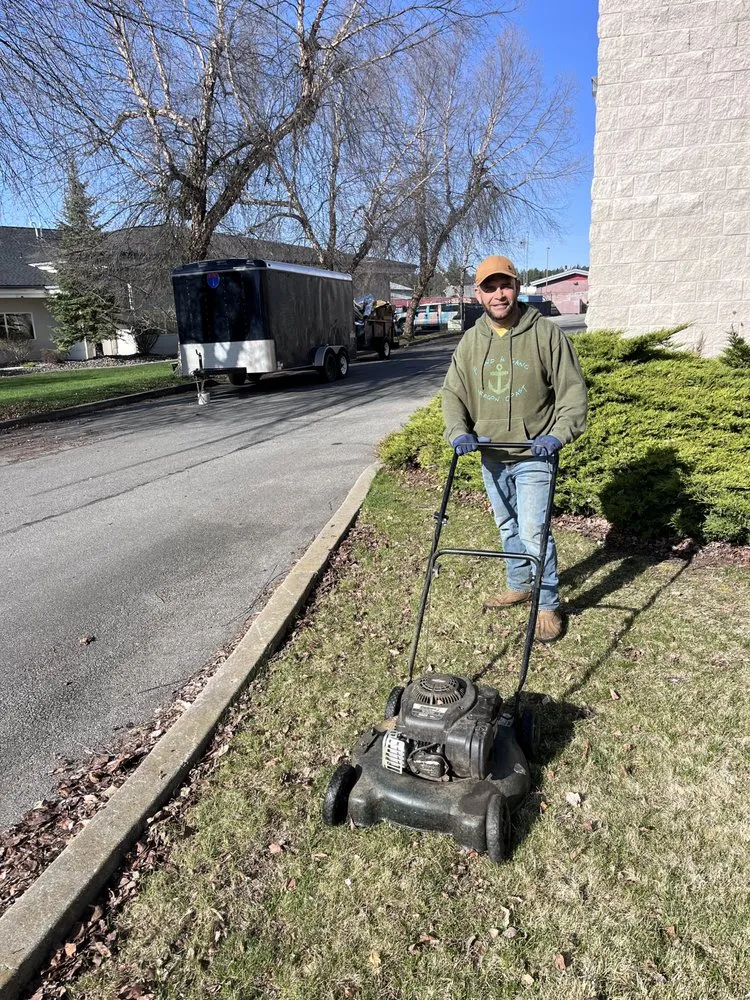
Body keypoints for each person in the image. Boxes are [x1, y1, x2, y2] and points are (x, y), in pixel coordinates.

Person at [441, 254, 588, 642]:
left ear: (517, 287)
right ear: (479, 294)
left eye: (504, 285)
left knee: (534, 529)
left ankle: (546, 603)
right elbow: (453, 394)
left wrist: (558, 435)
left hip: (534, 453)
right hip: (492, 454)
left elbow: (572, 391)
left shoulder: (546, 334)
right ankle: (519, 583)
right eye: (489, 288)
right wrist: (459, 432)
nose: (498, 294)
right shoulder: (472, 340)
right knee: (507, 525)